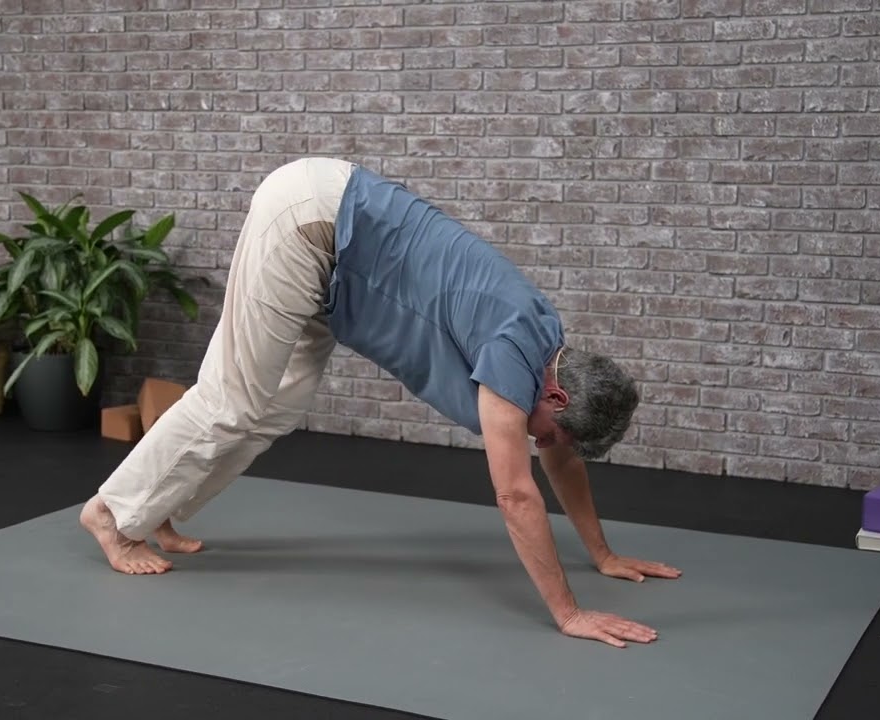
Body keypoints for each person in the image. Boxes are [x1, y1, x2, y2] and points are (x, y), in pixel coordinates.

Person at [79, 157, 682, 648]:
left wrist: (601, 553)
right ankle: (111, 514)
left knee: (277, 405)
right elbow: (515, 494)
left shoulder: (549, 349)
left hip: (333, 253)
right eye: (548, 431)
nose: (540, 442)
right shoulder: (512, 353)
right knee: (233, 398)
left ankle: (159, 506)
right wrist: (569, 613)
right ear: (557, 393)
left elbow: (562, 461)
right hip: (312, 223)